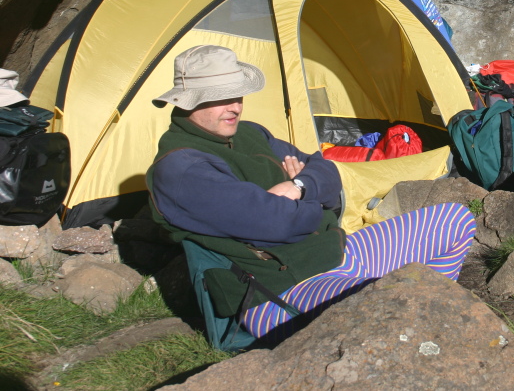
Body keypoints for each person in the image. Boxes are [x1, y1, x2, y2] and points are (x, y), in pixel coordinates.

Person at [146, 45, 476, 344]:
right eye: (220, 97)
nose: (234, 107)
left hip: (335, 253)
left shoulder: (250, 133)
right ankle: (424, 335)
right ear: (187, 100)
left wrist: (297, 187)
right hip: (279, 291)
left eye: (239, 95)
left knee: (455, 219)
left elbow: (328, 172)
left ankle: (429, 323)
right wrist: (314, 204)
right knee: (387, 300)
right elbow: (277, 225)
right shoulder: (181, 169)